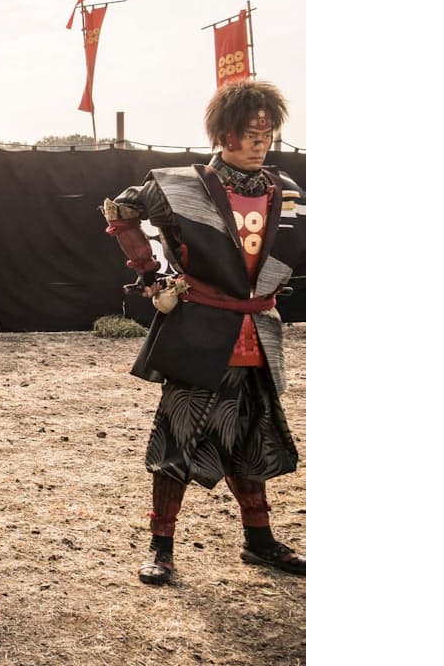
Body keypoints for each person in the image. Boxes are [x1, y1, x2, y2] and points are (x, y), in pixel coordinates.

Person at [100, 79, 306, 585]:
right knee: (178, 438)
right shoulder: (179, 183)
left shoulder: (288, 189)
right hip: (199, 329)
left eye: (268, 133)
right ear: (225, 134)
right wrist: (149, 272)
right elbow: (120, 210)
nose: (262, 143)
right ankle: (161, 547)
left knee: (250, 439)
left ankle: (259, 541)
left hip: (257, 331)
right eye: (251, 133)